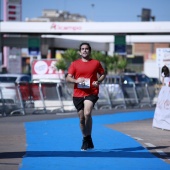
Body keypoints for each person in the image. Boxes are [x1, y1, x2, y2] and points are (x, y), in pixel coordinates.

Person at [66, 42, 106, 151]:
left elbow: (103, 74)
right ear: (80, 51)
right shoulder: (74, 64)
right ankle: (86, 138)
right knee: (81, 118)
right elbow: (68, 77)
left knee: (87, 113)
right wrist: (76, 80)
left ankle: (86, 139)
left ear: (90, 51)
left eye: (87, 49)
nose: (84, 50)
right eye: (82, 49)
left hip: (91, 92)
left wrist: (98, 81)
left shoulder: (96, 63)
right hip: (78, 94)